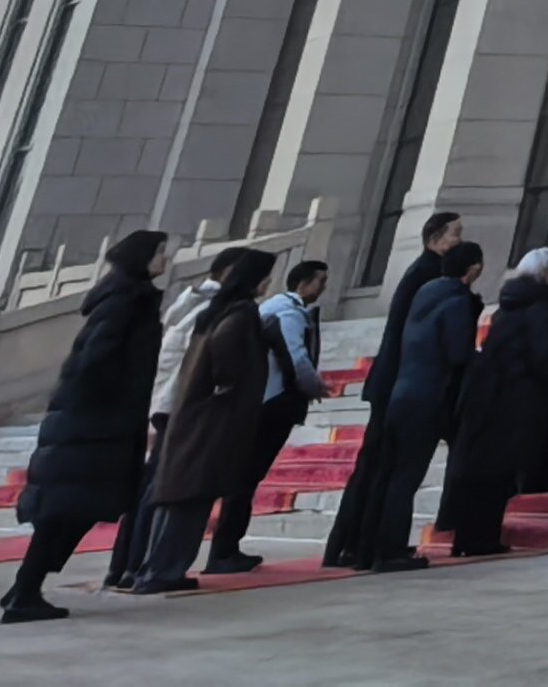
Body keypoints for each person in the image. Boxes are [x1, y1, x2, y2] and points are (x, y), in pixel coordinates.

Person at [0, 228, 167, 624]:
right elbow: (97, 360)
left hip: (95, 423)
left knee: (72, 509)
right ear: (142, 257)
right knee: (66, 511)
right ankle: (24, 592)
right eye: (160, 252)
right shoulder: (126, 300)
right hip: (94, 425)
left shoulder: (128, 297)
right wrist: (115, 407)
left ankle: (24, 587)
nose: (165, 260)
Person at [314, 211, 462, 568]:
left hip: (393, 381)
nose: (460, 240)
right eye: (456, 233)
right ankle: (361, 545)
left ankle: (353, 545)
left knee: (375, 467)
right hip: (399, 381)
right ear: (436, 238)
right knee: (380, 468)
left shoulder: (421, 272)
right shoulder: (430, 276)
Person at [131, 245, 275, 592]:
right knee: (191, 498)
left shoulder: (215, 311)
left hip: (193, 416)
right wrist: (230, 384)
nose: (267, 284)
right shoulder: (240, 314)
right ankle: (164, 573)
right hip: (211, 421)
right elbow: (226, 354)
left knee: (176, 497)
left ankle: (156, 569)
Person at [338, 240, 481, 574]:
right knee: (405, 478)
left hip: (401, 393)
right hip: (427, 397)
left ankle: (368, 549)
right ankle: (390, 551)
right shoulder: (457, 302)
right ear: (473, 269)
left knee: (386, 475)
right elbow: (458, 353)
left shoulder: (425, 295)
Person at [437, 249, 548, 556]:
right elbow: (544, 356)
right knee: (498, 473)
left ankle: (469, 537)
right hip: (520, 396)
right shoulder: (543, 307)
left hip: (491, 393)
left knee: (483, 469)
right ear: (546, 271)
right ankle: (483, 538)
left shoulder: (509, 304)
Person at [210, 257, 329, 572]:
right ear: (304, 282)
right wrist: (314, 386)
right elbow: (295, 357)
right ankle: (224, 550)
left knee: (245, 478)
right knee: (246, 477)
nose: (323, 288)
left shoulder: (275, 309)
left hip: (262, 399)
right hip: (272, 401)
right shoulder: (286, 312)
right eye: (320, 281)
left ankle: (226, 548)